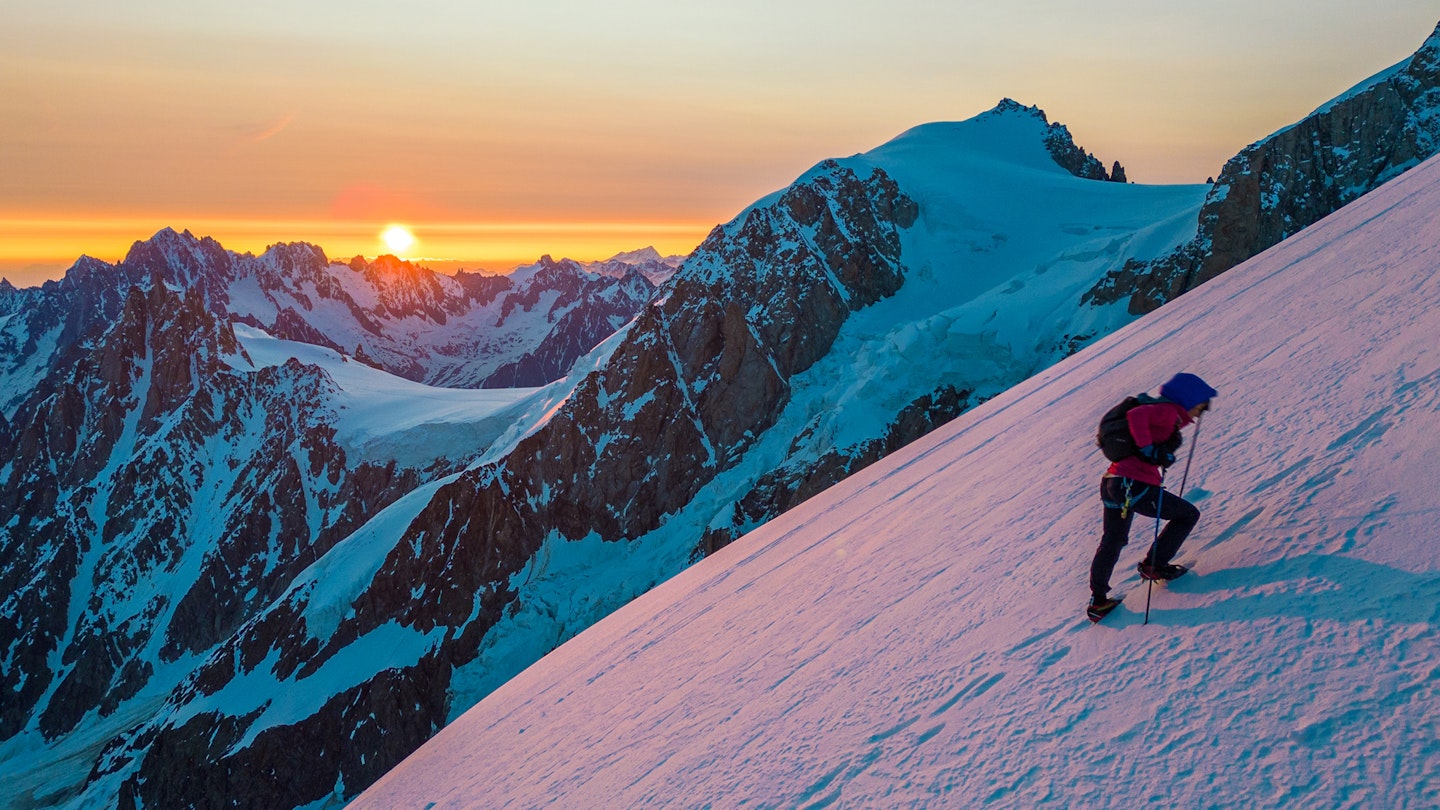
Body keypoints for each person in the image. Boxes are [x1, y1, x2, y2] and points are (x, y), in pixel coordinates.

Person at [1088, 372, 1217, 618]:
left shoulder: (1166, 415)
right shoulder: (1168, 411)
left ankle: (1098, 601)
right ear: (1189, 399)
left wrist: (1157, 453)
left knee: (1112, 541)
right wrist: (1149, 449)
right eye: (1200, 407)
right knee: (1187, 515)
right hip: (1133, 485)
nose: (1199, 414)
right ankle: (1154, 566)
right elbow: (1136, 416)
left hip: (1113, 483)